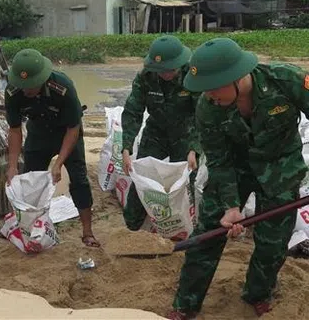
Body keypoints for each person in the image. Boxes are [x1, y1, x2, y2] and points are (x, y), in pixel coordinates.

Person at [168, 38, 309, 319]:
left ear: (235, 77)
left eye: (212, 87)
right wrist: (231, 206)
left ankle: (257, 293)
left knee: (272, 243)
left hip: (281, 168)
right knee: (207, 235)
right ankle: (186, 304)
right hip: (235, 169)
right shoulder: (208, 107)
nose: (208, 95)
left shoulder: (286, 80)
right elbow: (219, 161)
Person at [4, 48, 100, 247]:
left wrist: (58, 163)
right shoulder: (13, 91)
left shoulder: (63, 87)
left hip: (66, 134)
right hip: (38, 135)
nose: (26, 90)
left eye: (31, 86)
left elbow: (73, 129)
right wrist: (12, 165)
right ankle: (30, 229)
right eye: (23, 85)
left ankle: (87, 232)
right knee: (29, 182)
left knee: (79, 180)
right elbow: (14, 130)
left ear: (43, 78)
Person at [121, 35, 200, 232]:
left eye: (170, 69)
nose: (165, 74)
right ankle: (132, 227)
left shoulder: (192, 76)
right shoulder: (145, 77)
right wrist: (126, 147)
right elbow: (133, 111)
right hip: (156, 132)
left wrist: (195, 148)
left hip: (186, 133)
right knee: (142, 177)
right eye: (161, 70)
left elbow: (204, 114)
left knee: (184, 183)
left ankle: (183, 228)